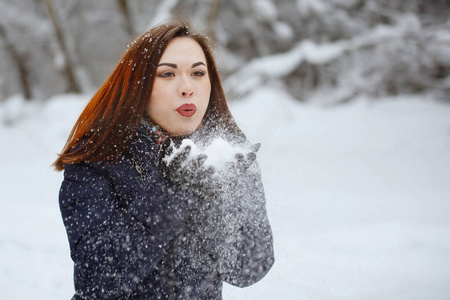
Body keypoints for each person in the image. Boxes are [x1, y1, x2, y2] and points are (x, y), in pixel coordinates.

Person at [53, 19, 274, 299]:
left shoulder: (225, 155)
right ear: (138, 85)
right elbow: (96, 277)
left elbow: (250, 268)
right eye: (167, 74)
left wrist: (214, 207)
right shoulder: (97, 159)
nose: (187, 88)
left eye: (198, 73)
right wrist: (170, 192)